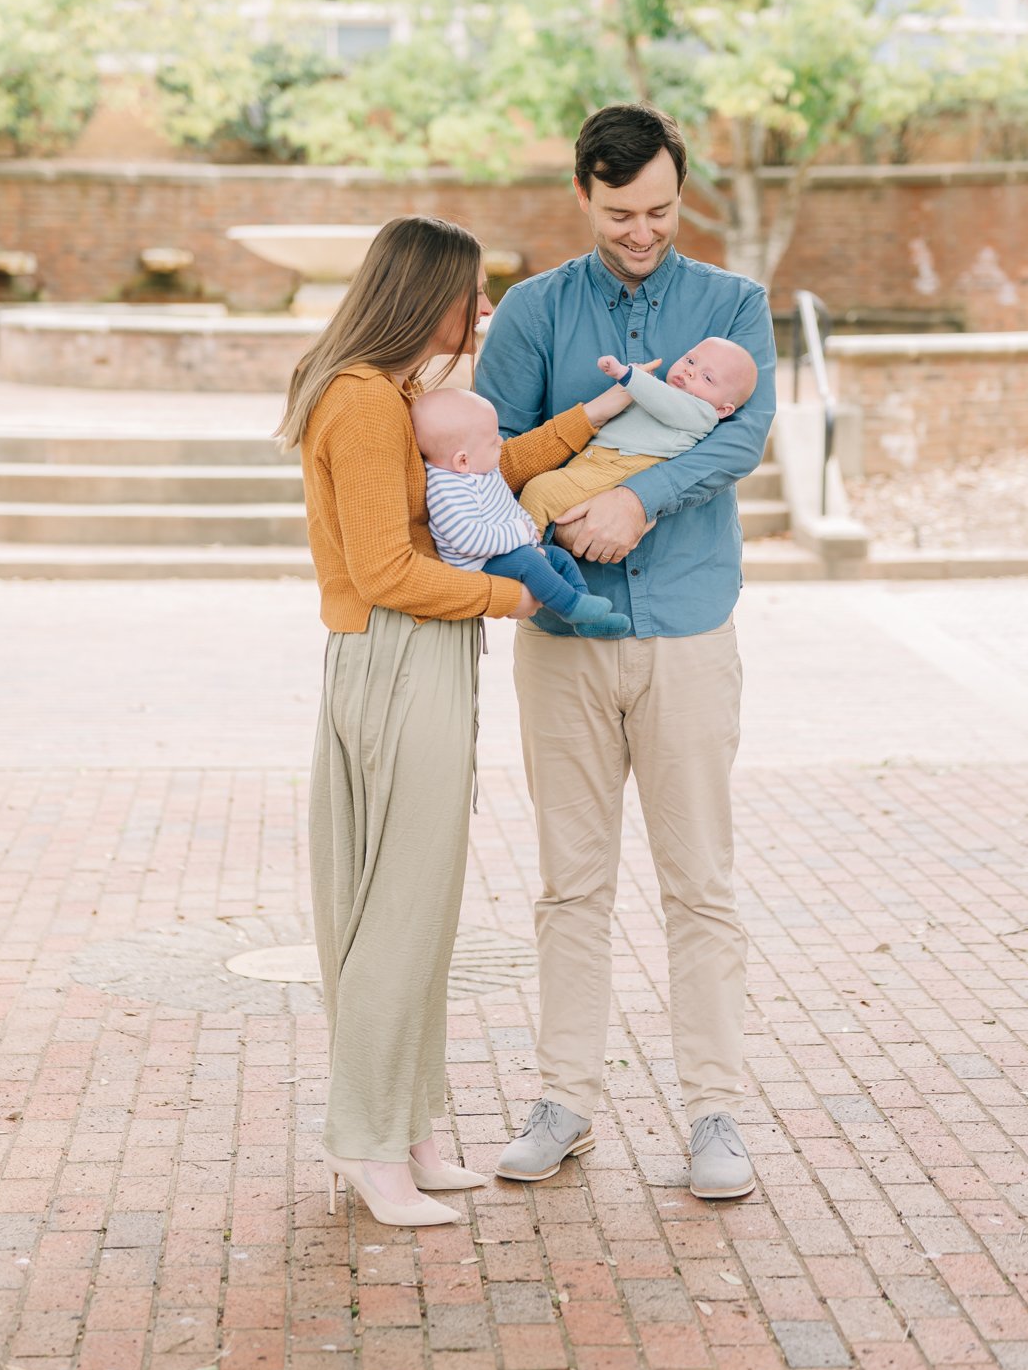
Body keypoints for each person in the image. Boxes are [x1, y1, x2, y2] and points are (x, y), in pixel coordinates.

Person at [278, 215, 628, 1228]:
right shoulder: (361, 402)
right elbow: (386, 568)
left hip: (416, 654)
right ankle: (367, 1142)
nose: (482, 313)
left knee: (417, 906)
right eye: (470, 296)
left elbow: (487, 473)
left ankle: (410, 1126)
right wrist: (516, 601)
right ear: (420, 293)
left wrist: (584, 421)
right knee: (394, 909)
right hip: (397, 657)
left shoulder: (389, 395)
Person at [476, 106, 777, 1202]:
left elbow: (743, 435)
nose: (641, 229)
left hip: (690, 627)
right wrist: (562, 511)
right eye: (618, 214)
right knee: (572, 885)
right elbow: (493, 456)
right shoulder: (532, 311)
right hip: (562, 637)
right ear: (582, 196)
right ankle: (563, 1099)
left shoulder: (735, 305)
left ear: (678, 191)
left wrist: (640, 502)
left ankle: (715, 1113)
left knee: (699, 882)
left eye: (657, 209)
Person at [412, 387, 633, 636]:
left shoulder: (479, 469)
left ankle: (586, 616)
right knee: (529, 562)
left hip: (504, 552)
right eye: (492, 440)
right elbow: (468, 540)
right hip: (477, 565)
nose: (501, 441)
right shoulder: (445, 490)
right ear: (462, 460)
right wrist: (520, 536)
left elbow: (506, 507)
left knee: (559, 558)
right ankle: (572, 607)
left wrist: (527, 537)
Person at [518, 337, 760, 533]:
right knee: (550, 493)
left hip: (621, 465)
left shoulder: (703, 414)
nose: (690, 372)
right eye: (690, 360)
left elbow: (665, 402)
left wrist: (629, 376)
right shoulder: (664, 393)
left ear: (723, 410)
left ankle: (525, 554)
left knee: (540, 491)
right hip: (598, 461)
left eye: (707, 377)